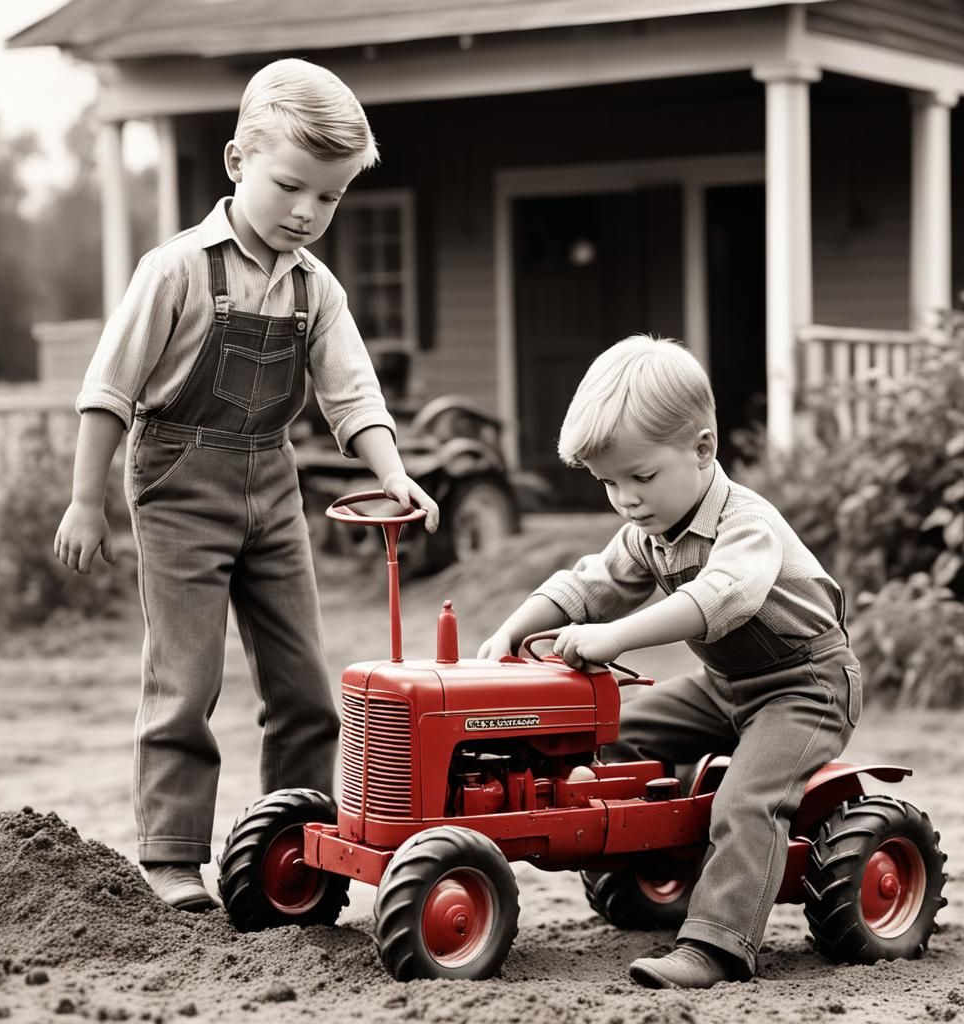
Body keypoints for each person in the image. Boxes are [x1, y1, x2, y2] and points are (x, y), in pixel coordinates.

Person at [53, 59, 439, 913]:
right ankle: (172, 856)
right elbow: (108, 389)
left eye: (329, 199)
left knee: (306, 686)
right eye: (291, 186)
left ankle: (294, 850)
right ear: (237, 162)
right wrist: (89, 499)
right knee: (185, 680)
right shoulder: (176, 270)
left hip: (272, 480)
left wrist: (392, 471)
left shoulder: (316, 287)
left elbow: (350, 392)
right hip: (181, 477)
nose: (307, 213)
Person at [478, 336, 861, 989]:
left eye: (641, 476)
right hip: (726, 686)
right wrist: (516, 628)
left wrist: (616, 636)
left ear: (703, 449)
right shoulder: (649, 531)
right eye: (608, 483)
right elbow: (593, 582)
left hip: (806, 685)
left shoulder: (746, 526)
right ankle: (647, 872)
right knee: (614, 735)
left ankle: (716, 945)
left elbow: (718, 598)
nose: (626, 498)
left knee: (748, 798)